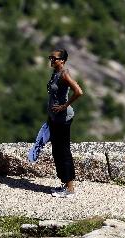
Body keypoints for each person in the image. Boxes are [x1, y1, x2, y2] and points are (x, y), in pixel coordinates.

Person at [46, 49, 83, 198]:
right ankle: (64, 183)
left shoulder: (64, 74)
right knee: (56, 151)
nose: (51, 60)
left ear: (62, 60)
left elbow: (78, 91)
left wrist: (64, 106)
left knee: (63, 152)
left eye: (54, 58)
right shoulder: (55, 73)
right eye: (50, 58)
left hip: (63, 119)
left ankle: (70, 188)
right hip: (54, 118)